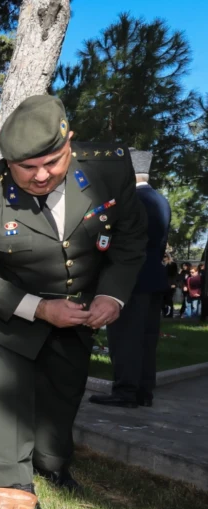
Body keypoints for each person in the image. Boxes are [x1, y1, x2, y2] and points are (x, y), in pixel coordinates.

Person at [0, 95, 146, 509]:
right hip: (10, 309)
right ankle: (13, 488)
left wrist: (111, 295)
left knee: (65, 386)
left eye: (53, 163)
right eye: (27, 168)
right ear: (7, 163)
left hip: (79, 304)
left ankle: (53, 464)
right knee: (11, 398)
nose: (42, 176)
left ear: (70, 143)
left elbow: (129, 239)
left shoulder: (109, 168)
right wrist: (40, 309)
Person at [89, 150, 170, 409]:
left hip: (130, 279)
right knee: (147, 339)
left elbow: (123, 241)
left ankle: (125, 390)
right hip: (154, 278)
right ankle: (144, 391)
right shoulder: (160, 199)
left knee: (125, 339)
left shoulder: (131, 200)